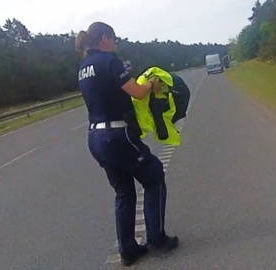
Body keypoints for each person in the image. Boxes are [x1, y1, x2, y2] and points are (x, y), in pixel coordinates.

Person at [75, 22, 178, 267]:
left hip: (96, 137)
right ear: (103, 39)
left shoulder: (83, 66)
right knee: (153, 176)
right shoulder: (109, 61)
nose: (116, 43)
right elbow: (138, 92)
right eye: (114, 38)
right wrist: (151, 84)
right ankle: (157, 239)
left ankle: (128, 250)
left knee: (123, 191)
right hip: (118, 135)